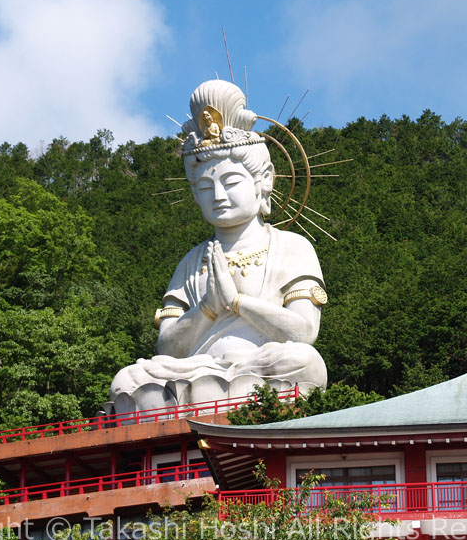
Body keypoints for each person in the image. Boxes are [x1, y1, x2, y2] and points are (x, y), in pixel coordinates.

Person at [109, 80, 327, 412]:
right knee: (129, 379)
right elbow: (167, 347)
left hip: (265, 367)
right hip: (197, 370)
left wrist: (237, 301)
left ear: (263, 180)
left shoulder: (292, 247)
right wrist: (209, 307)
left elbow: (304, 331)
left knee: (305, 360)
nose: (219, 196)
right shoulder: (193, 261)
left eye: (231, 182)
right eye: (206, 187)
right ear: (195, 193)